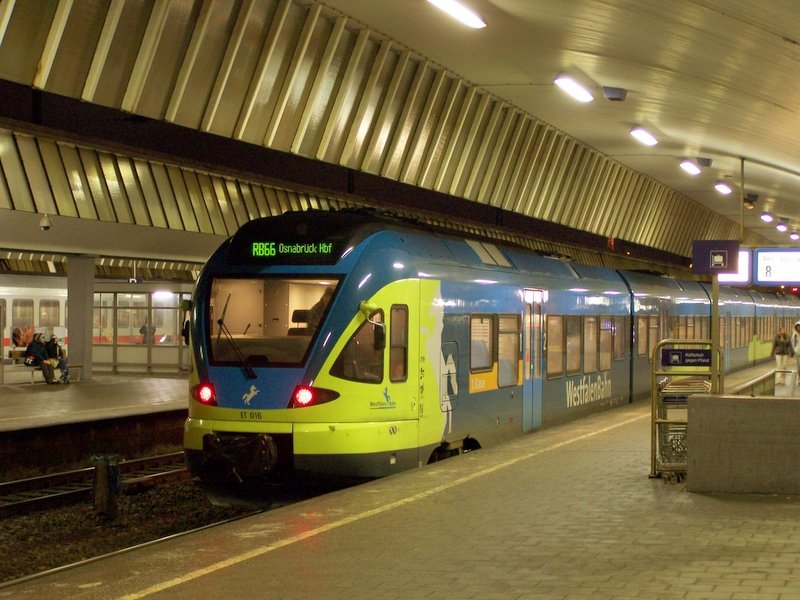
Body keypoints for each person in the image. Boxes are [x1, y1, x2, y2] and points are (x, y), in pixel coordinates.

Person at [792, 321, 800, 392]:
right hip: (798, 353)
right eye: (797, 326)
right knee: (799, 367)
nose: (798, 328)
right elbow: (793, 343)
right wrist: (794, 350)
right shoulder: (795, 335)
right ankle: (799, 380)